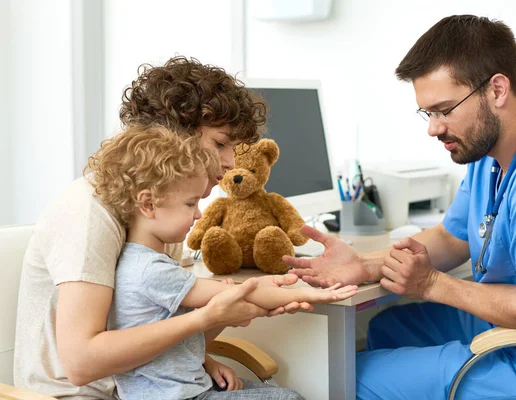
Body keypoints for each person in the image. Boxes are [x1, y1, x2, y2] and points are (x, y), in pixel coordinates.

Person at [284, 15, 516, 399]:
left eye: (444, 109)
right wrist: (363, 264)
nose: (433, 128)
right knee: (386, 330)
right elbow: (452, 237)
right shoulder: (498, 146)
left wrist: (431, 284)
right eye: (427, 113)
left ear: (497, 89)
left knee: (348, 378)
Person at [14, 56, 313, 399]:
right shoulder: (90, 210)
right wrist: (204, 319)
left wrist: (224, 318)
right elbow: (82, 364)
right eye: (220, 143)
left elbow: (157, 329)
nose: (231, 162)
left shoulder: (165, 213)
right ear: (173, 134)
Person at [84, 125, 357, 399]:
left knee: (275, 393)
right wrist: (312, 293)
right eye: (190, 204)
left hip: (188, 387)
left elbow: (180, 339)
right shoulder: (150, 271)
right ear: (148, 205)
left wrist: (222, 326)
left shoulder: (144, 261)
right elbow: (242, 293)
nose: (199, 215)